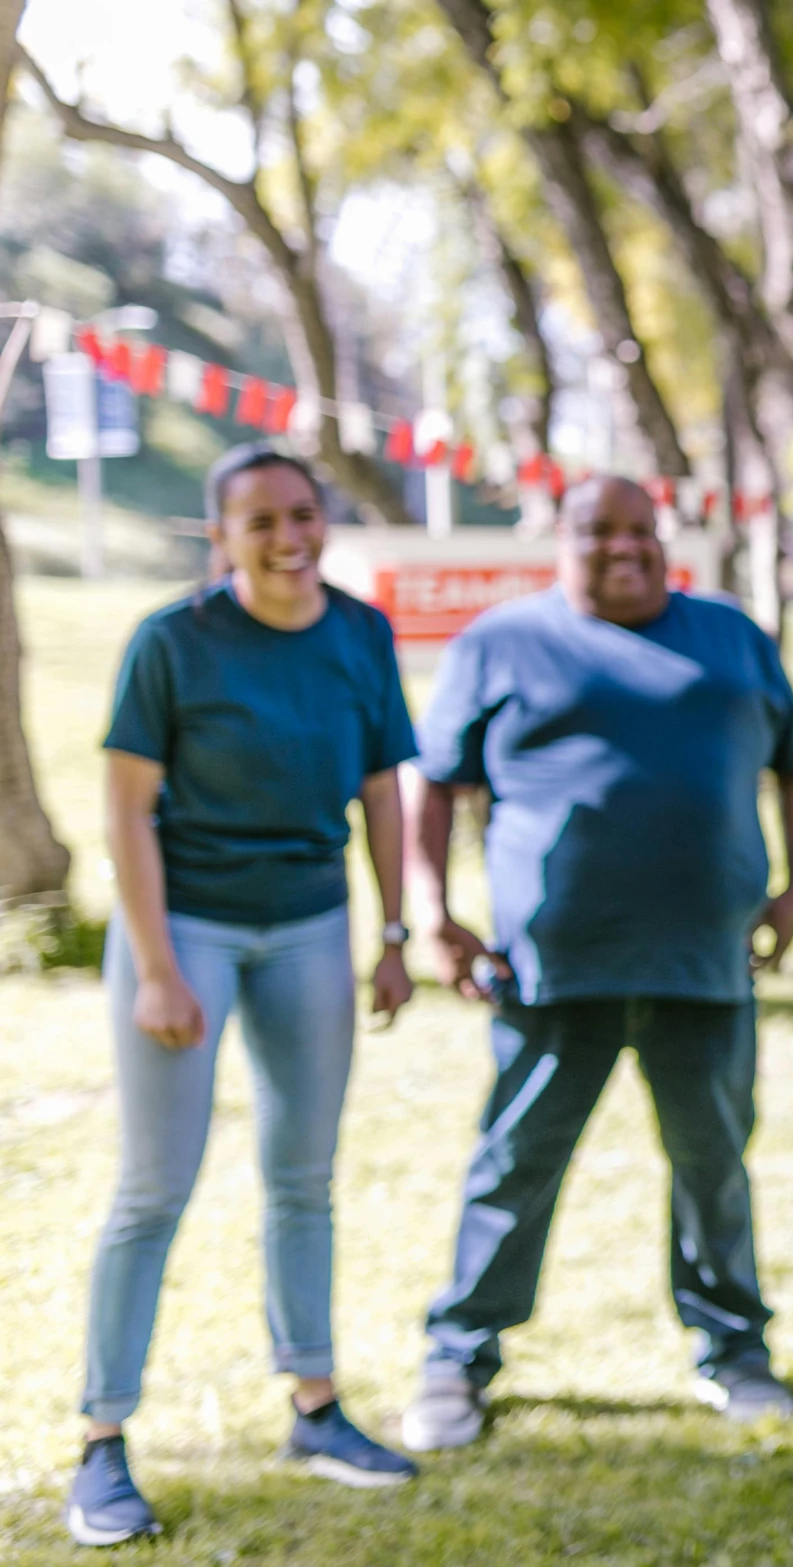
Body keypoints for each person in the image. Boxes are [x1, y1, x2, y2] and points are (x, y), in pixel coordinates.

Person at [398, 475, 793, 1450]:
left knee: (713, 1161)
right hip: (553, 963)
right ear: (563, 537)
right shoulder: (502, 641)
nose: (624, 548)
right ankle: (459, 1354)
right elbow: (434, 779)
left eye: (642, 531)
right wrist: (431, 911)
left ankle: (734, 1348)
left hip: (705, 958)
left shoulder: (730, 636)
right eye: (600, 532)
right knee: (515, 1162)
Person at [69, 445, 421, 1548]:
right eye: (260, 520)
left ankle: (316, 1409)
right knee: (153, 1186)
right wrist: (161, 967)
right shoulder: (172, 643)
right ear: (218, 535)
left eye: (303, 514)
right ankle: (101, 1440)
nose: (288, 537)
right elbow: (127, 810)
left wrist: (395, 931)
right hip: (190, 932)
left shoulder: (360, 632)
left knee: (303, 1177)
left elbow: (380, 787)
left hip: (311, 924)